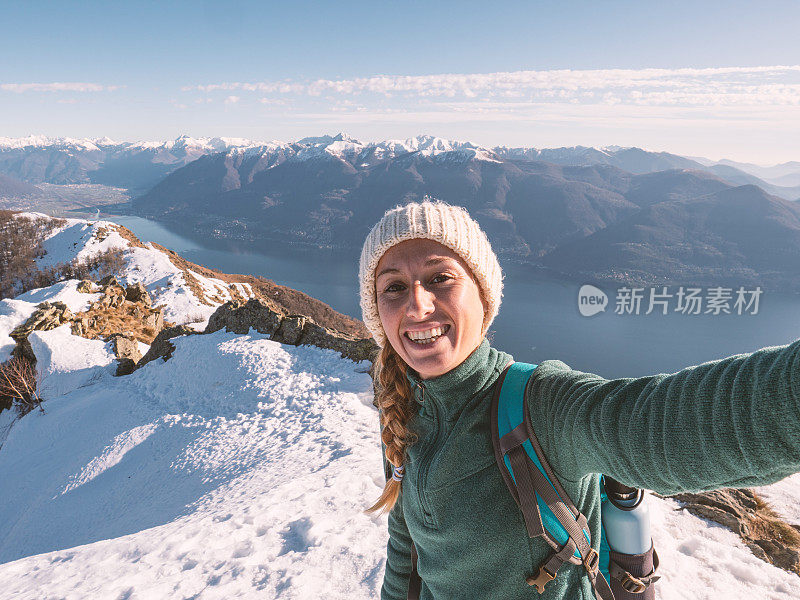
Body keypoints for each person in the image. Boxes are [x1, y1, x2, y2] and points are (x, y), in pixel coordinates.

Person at [359, 199, 800, 600]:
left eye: (440, 279)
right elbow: (407, 543)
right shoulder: (402, 410)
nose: (417, 306)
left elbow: (663, 423)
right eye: (393, 287)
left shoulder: (541, 405)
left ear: (483, 294)